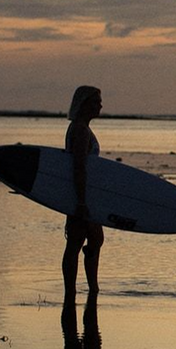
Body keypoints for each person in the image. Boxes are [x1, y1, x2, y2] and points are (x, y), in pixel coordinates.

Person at [62, 85, 104, 310]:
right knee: (76, 242)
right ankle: (72, 293)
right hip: (81, 195)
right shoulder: (79, 130)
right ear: (84, 103)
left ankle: (91, 289)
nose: (100, 105)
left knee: (94, 239)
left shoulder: (81, 128)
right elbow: (78, 166)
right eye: (96, 100)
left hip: (85, 195)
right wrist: (80, 201)